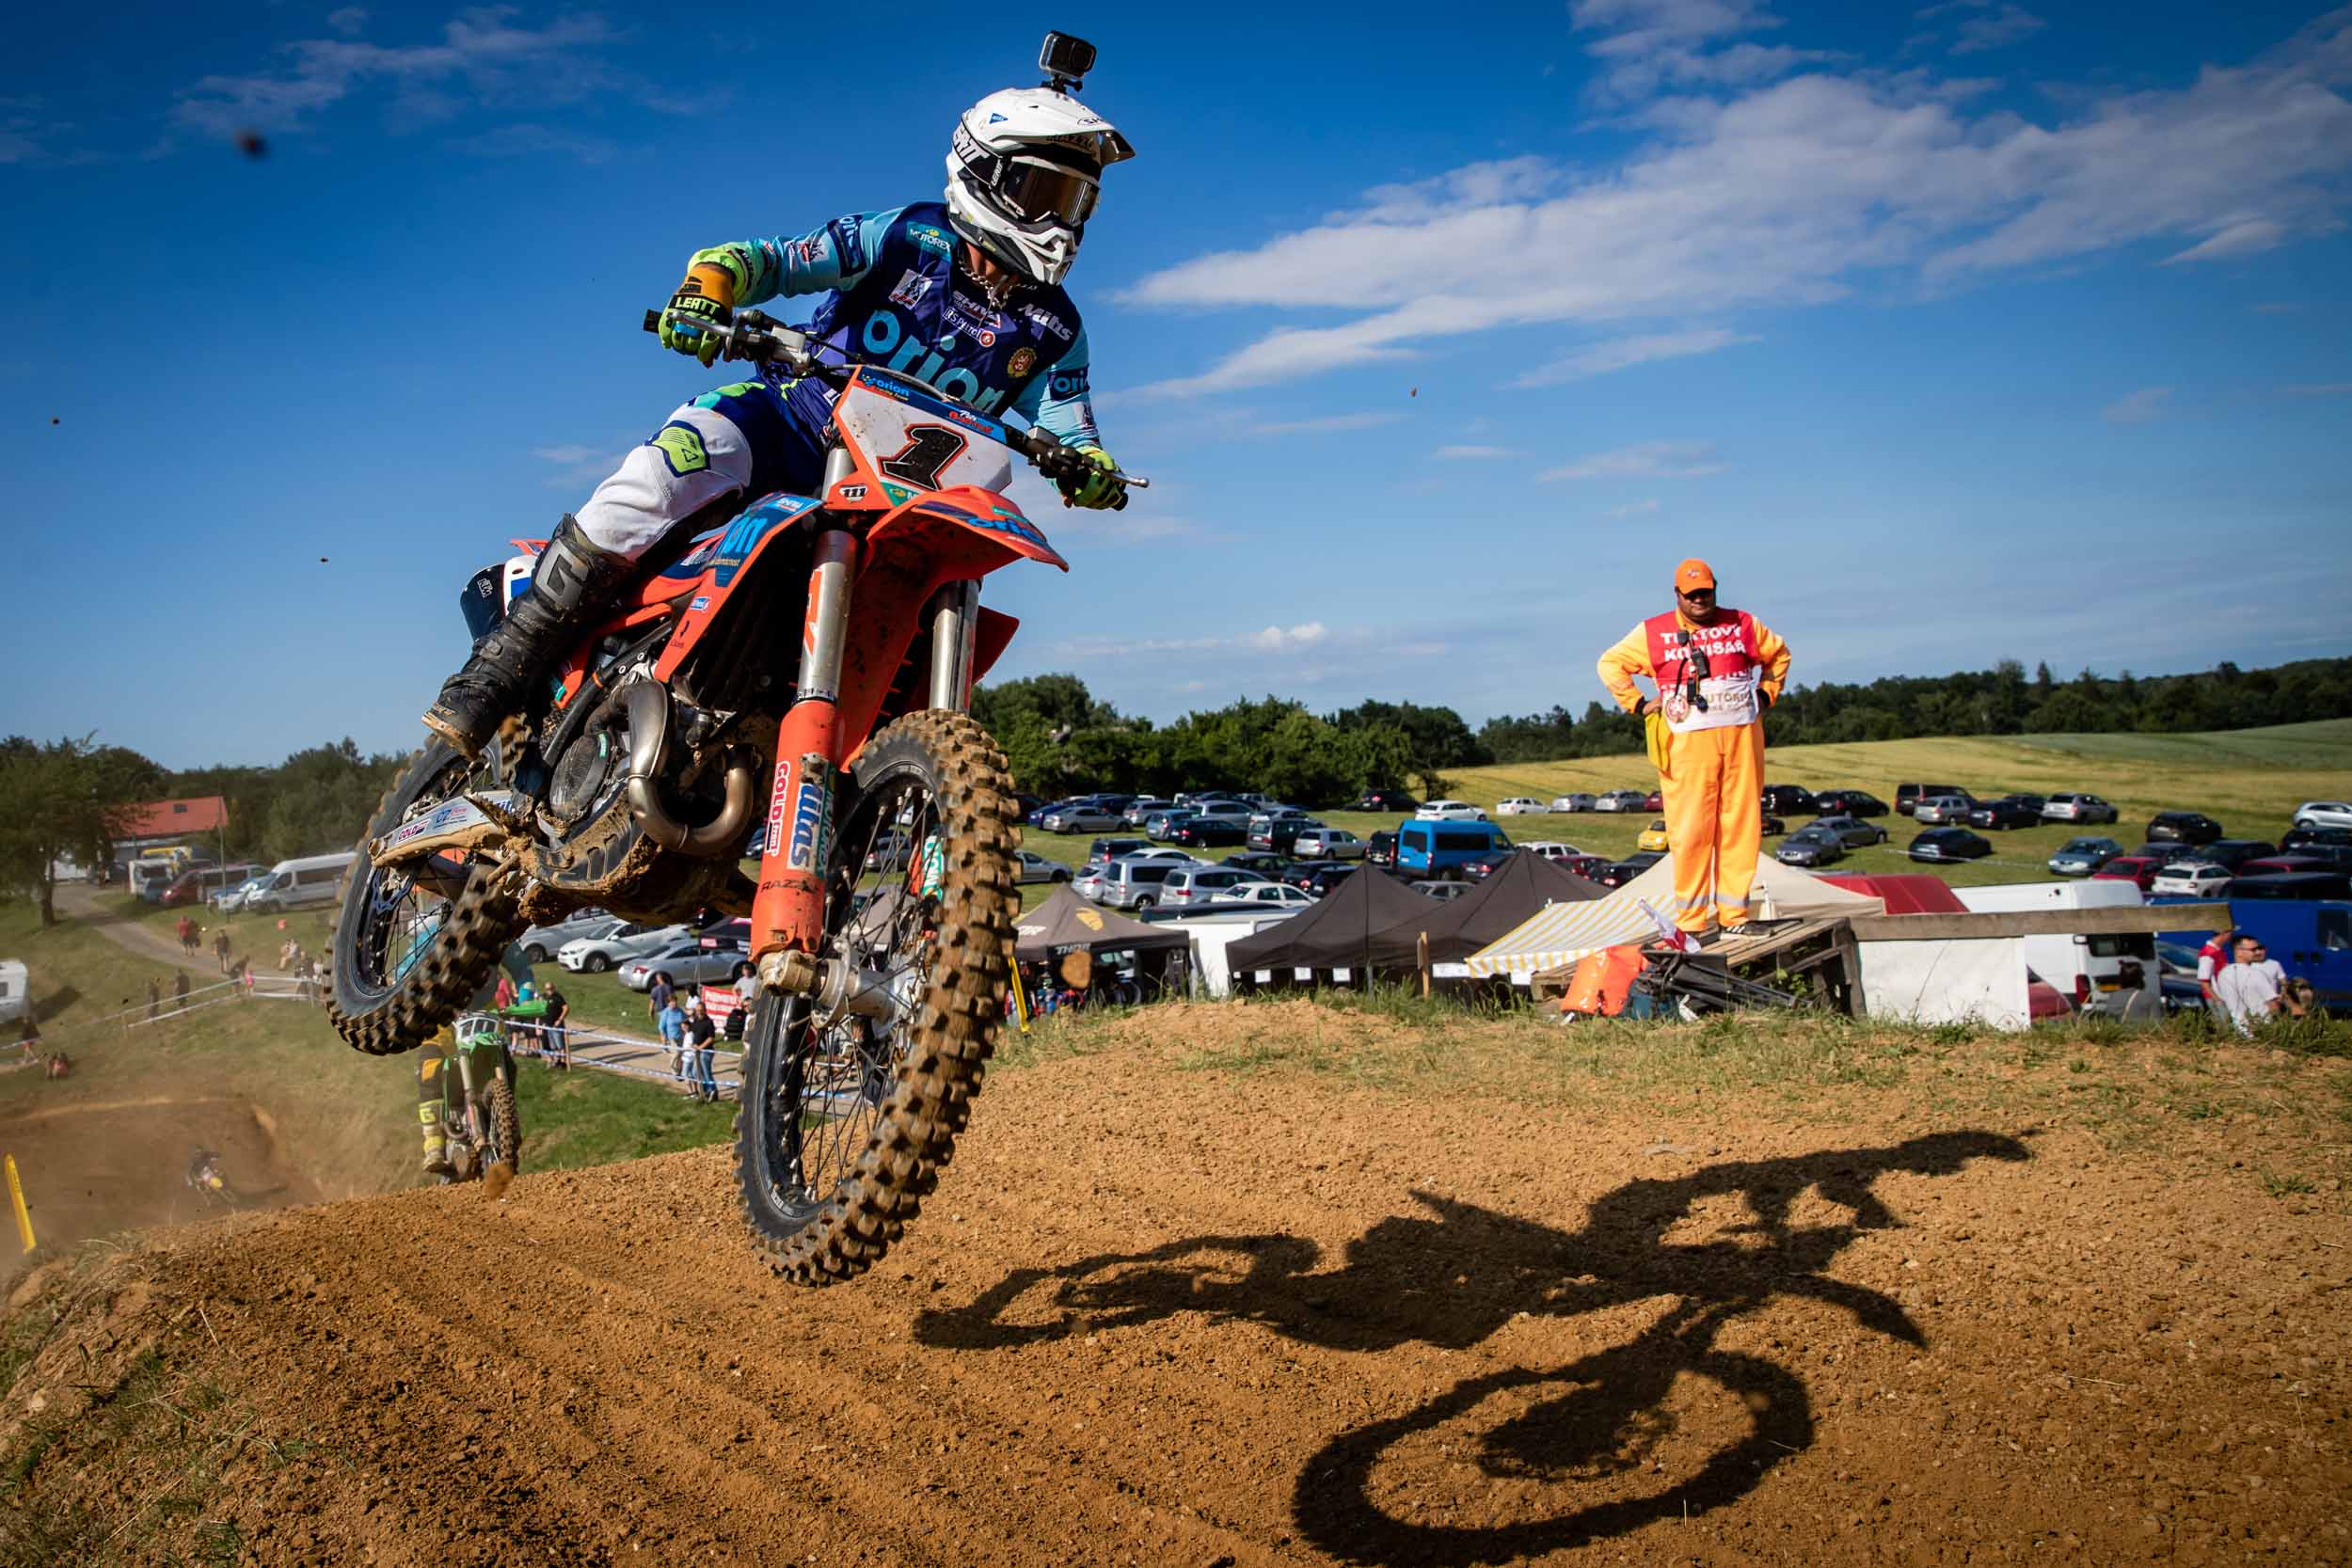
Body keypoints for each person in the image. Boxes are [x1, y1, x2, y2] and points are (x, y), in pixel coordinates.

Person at [421, 42, 1136, 758]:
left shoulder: (1056, 327)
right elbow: (773, 259)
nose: (1061, 219)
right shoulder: (903, 238)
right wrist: (709, 289)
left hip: (898, 497)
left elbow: (1070, 424)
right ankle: (491, 679)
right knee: (658, 477)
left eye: (1076, 201)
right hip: (785, 423)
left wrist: (1089, 465)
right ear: (985, 174)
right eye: (1046, 193)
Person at [1597, 560, 1792, 937]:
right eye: (1691, 595)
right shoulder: (1653, 631)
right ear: (1678, 595)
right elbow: (1610, 664)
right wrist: (1638, 703)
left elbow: (1779, 654)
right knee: (1690, 830)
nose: (1699, 600)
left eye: (1705, 592)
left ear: (1715, 588)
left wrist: (1767, 693)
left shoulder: (1743, 623)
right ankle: (1691, 921)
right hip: (1687, 745)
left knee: (1741, 825)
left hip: (1741, 739)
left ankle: (1734, 915)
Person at [2212, 931, 2283, 1037]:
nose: (2257, 952)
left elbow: (2222, 999)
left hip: (2239, 1032)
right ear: (2239, 952)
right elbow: (2273, 1005)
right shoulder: (2257, 974)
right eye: (2253, 949)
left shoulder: (2222, 974)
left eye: (2258, 948)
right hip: (2263, 1030)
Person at [684, 992, 720, 1102]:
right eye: (697, 1010)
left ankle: (713, 1090)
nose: (699, 1012)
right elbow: (693, 1033)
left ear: (705, 1010)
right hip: (698, 1051)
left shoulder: (709, 1022)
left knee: (706, 1071)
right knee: (695, 1073)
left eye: (701, 1010)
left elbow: (711, 1038)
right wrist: (694, 1045)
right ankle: (706, 1091)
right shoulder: (695, 1021)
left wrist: (701, 1047)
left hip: (707, 1051)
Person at [657, 992, 687, 1082]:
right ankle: (673, 1070)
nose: (674, 1003)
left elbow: (685, 1020)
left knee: (681, 1055)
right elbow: (661, 1026)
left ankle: (679, 1073)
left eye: (675, 1001)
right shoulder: (666, 1012)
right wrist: (663, 1038)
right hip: (670, 1038)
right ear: (668, 1003)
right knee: (676, 1053)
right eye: (672, 1002)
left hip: (680, 1036)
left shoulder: (680, 1011)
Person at [541, 982, 571, 1069]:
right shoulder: (544, 997)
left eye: (551, 988)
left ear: (554, 988)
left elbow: (566, 1008)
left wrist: (560, 1020)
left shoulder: (557, 996)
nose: (549, 990)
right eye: (547, 989)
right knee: (553, 1045)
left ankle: (563, 1062)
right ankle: (558, 1060)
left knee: (560, 1044)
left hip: (556, 1025)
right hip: (548, 1025)